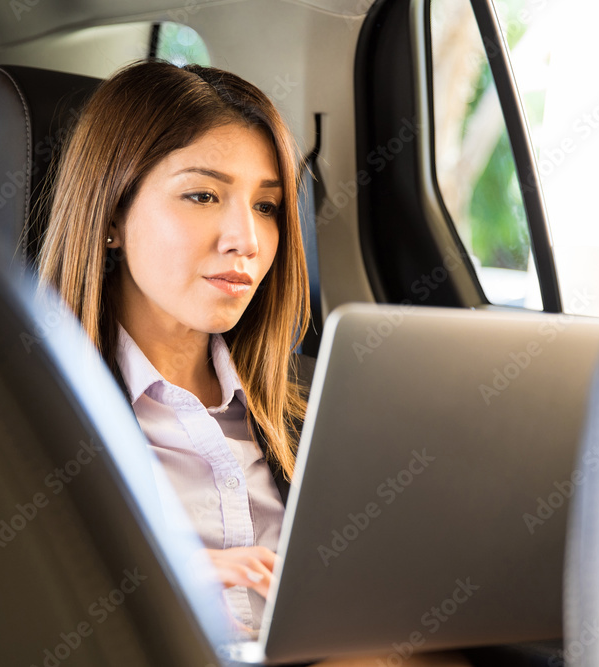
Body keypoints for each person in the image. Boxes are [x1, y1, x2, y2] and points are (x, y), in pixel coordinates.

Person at [36, 59, 473, 666]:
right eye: (203, 195)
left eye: (267, 206)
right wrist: (181, 571)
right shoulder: (25, 413)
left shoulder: (314, 407)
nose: (246, 238)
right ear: (110, 215)